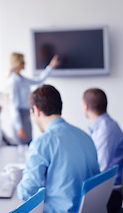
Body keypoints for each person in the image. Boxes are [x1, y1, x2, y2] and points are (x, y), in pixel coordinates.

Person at [17, 84, 100, 213]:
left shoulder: (41, 142)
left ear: (36, 110)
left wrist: (17, 182)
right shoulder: (86, 137)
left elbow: (27, 192)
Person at [82, 88, 123, 213]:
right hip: (109, 190)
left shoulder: (105, 131)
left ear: (85, 107)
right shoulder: (106, 125)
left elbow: (101, 169)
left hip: (109, 195)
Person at [7, 52, 59, 145]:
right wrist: (19, 126)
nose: (25, 63)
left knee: (28, 143)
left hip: (26, 114)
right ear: (18, 63)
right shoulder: (13, 81)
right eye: (23, 61)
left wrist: (50, 67)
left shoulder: (21, 78)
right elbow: (13, 106)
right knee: (22, 146)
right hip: (20, 116)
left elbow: (38, 80)